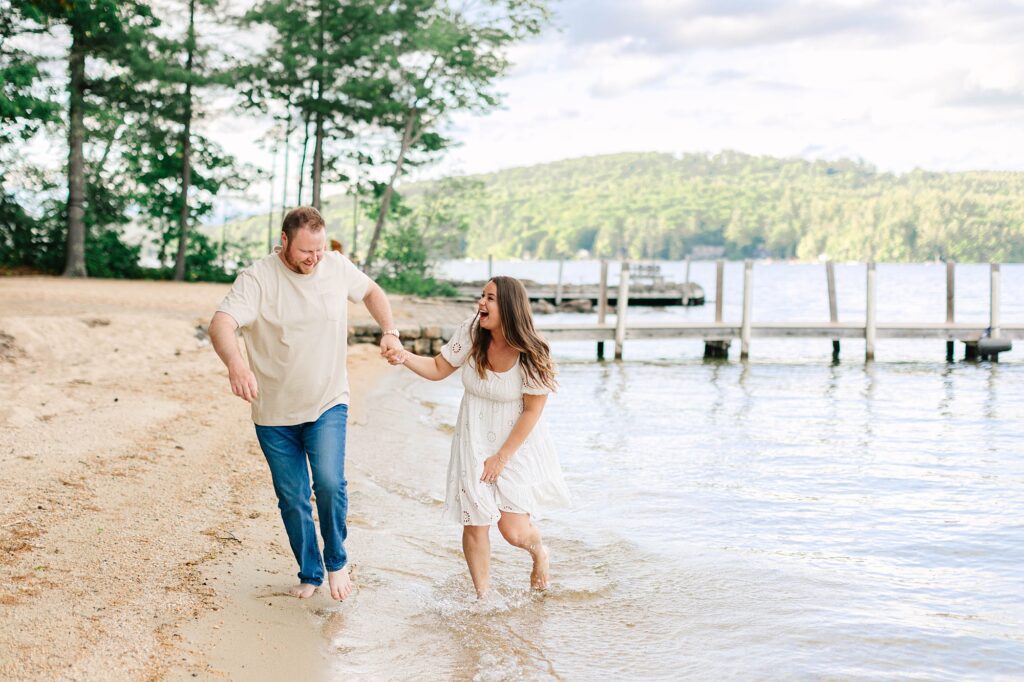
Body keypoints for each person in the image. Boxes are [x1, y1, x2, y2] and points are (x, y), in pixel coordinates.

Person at [208, 206, 402, 601]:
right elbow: (222, 322)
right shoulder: (257, 278)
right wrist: (236, 365)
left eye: (318, 250)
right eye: (304, 252)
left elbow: (371, 292)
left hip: (328, 400)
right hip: (274, 412)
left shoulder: (334, 265)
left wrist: (390, 331)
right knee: (293, 498)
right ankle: (310, 571)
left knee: (330, 483)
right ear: (284, 242)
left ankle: (336, 560)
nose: (314, 259)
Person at [385, 276, 571, 598]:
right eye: (482, 296)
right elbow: (438, 367)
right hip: (473, 437)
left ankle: (539, 551)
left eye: (490, 299)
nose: (481, 304)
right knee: (475, 520)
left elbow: (532, 411)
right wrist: (404, 357)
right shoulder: (473, 331)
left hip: (514, 442)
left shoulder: (531, 352)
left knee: (512, 530)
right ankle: (483, 597)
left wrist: (501, 457)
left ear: (510, 307)